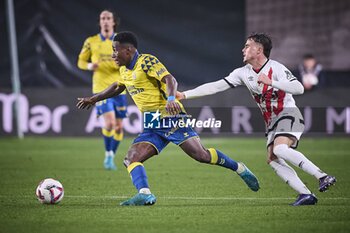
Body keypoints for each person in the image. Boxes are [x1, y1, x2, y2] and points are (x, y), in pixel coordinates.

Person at [76, 31, 260, 206]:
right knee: (131, 158)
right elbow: (117, 87)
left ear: (128, 50)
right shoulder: (124, 70)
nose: (113, 54)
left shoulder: (146, 61)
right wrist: (93, 99)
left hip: (170, 116)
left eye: (115, 50)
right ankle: (145, 194)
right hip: (152, 121)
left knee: (201, 155)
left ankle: (239, 168)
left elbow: (170, 79)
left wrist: (171, 99)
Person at [177, 33, 336, 206]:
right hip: (272, 122)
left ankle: (322, 176)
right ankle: (306, 195)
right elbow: (216, 86)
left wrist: (272, 82)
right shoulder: (242, 73)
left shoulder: (276, 68)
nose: (243, 49)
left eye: (247, 46)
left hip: (288, 113)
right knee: (273, 159)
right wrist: (184, 95)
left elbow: (299, 88)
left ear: (259, 50)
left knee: (281, 149)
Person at [77, 10, 127, 170]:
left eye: (108, 18)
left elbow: (129, 58)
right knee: (110, 123)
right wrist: (90, 65)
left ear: (114, 22)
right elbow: (80, 61)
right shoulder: (91, 41)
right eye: (103, 18)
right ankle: (108, 155)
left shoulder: (121, 40)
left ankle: (111, 156)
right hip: (100, 88)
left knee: (119, 127)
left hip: (120, 87)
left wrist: (120, 62)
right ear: (100, 22)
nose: (105, 21)